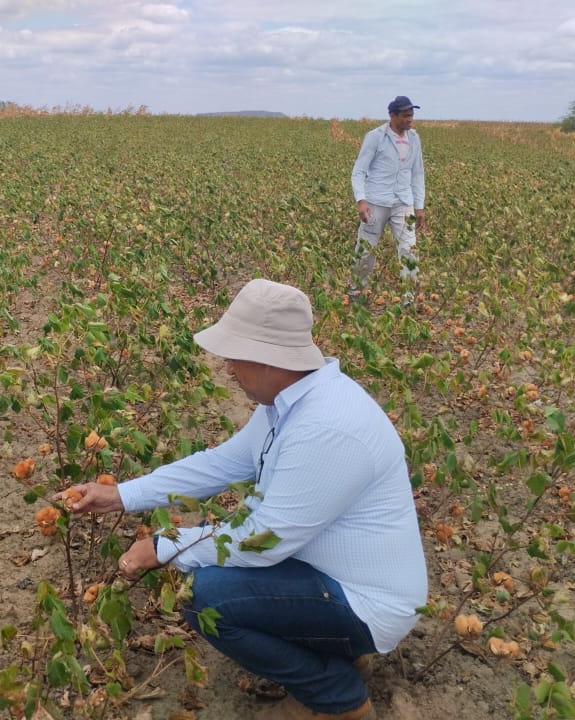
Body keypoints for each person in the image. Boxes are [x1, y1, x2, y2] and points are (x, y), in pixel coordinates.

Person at [57, 279, 427, 720]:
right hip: (329, 575)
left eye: (234, 356)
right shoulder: (289, 403)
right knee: (211, 570)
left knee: (206, 593)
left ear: (269, 358)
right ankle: (337, 650)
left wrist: (161, 547)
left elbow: (263, 539)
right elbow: (219, 464)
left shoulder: (326, 427)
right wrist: (119, 495)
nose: (228, 368)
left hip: (366, 603)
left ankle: (338, 696)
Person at [349, 95, 427, 307]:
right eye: (405, 116)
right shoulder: (376, 137)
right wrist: (361, 201)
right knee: (366, 248)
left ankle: (409, 298)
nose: (410, 120)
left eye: (411, 115)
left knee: (409, 248)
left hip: (404, 201)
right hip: (376, 201)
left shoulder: (414, 139)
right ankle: (356, 291)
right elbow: (359, 171)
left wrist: (419, 206)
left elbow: (417, 173)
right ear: (392, 116)